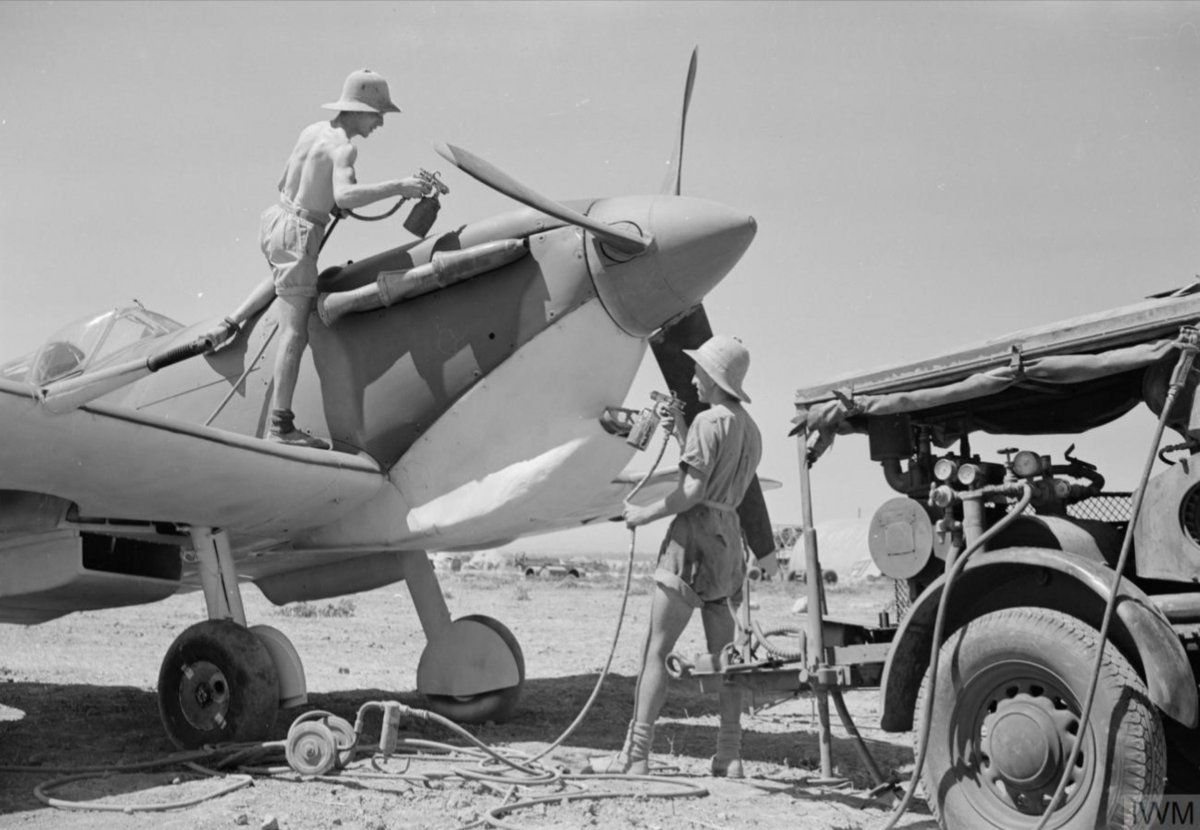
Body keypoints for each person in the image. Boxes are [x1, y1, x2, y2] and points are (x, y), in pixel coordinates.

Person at [587, 335, 777, 778]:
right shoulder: (750, 430)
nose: (692, 379)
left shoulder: (710, 422)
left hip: (691, 541)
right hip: (729, 543)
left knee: (655, 650)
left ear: (713, 376)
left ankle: (635, 756)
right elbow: (716, 477)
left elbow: (692, 491)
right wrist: (679, 432)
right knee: (726, 658)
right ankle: (730, 756)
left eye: (699, 372)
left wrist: (642, 513)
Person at [213, 69, 434, 448]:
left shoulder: (312, 131)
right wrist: (400, 186)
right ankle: (281, 426)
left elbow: (289, 182)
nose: (380, 122)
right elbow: (346, 197)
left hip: (276, 221)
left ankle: (229, 322)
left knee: (286, 281)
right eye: (377, 113)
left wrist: (322, 203)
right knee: (295, 331)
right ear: (359, 110)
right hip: (300, 233)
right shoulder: (346, 147)